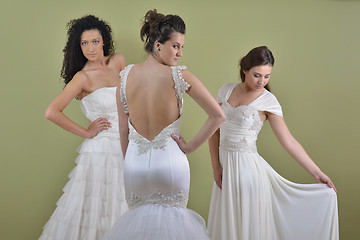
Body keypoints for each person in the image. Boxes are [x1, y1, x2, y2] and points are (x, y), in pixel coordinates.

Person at [105, 9, 225, 240]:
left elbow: (122, 128)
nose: (180, 53)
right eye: (176, 46)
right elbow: (218, 115)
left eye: (182, 47)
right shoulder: (179, 75)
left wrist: (129, 160)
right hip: (170, 163)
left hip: (134, 165)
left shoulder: (125, 76)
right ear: (158, 45)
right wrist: (189, 147)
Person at [207, 46, 339, 240]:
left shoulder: (268, 101)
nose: (262, 82)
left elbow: (289, 142)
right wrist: (215, 167)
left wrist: (317, 173)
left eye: (267, 76)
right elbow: (213, 131)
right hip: (226, 172)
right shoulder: (226, 90)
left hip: (249, 175)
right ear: (244, 70)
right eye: (257, 75)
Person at [39, 15, 128, 240]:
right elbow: (51, 112)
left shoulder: (118, 61)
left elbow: (131, 101)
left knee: (126, 203)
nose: (90, 48)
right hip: (100, 153)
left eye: (95, 41)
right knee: (96, 208)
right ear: (78, 46)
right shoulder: (82, 78)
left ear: (104, 41)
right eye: (84, 43)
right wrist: (87, 132)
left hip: (129, 143)